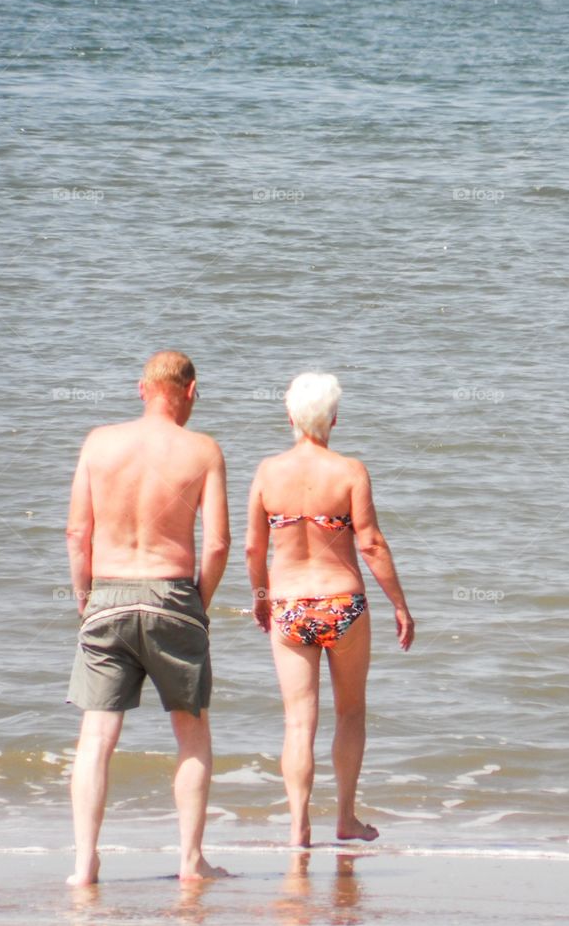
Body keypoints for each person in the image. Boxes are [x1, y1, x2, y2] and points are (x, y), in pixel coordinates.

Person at [65, 350, 230, 885]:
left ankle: (84, 862)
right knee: (192, 735)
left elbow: (76, 534)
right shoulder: (203, 450)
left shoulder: (98, 443)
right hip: (174, 596)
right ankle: (190, 862)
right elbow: (220, 544)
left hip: (108, 596)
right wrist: (197, 604)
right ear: (190, 390)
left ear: (142, 389)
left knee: (96, 738)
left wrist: (84, 598)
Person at [246, 372, 414, 848]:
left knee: (299, 721)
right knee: (350, 714)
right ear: (334, 419)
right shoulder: (349, 471)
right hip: (343, 603)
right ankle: (345, 817)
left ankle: (298, 824)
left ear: (290, 416)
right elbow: (372, 545)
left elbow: (253, 550)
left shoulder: (267, 472)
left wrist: (261, 601)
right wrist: (401, 605)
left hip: (289, 603)